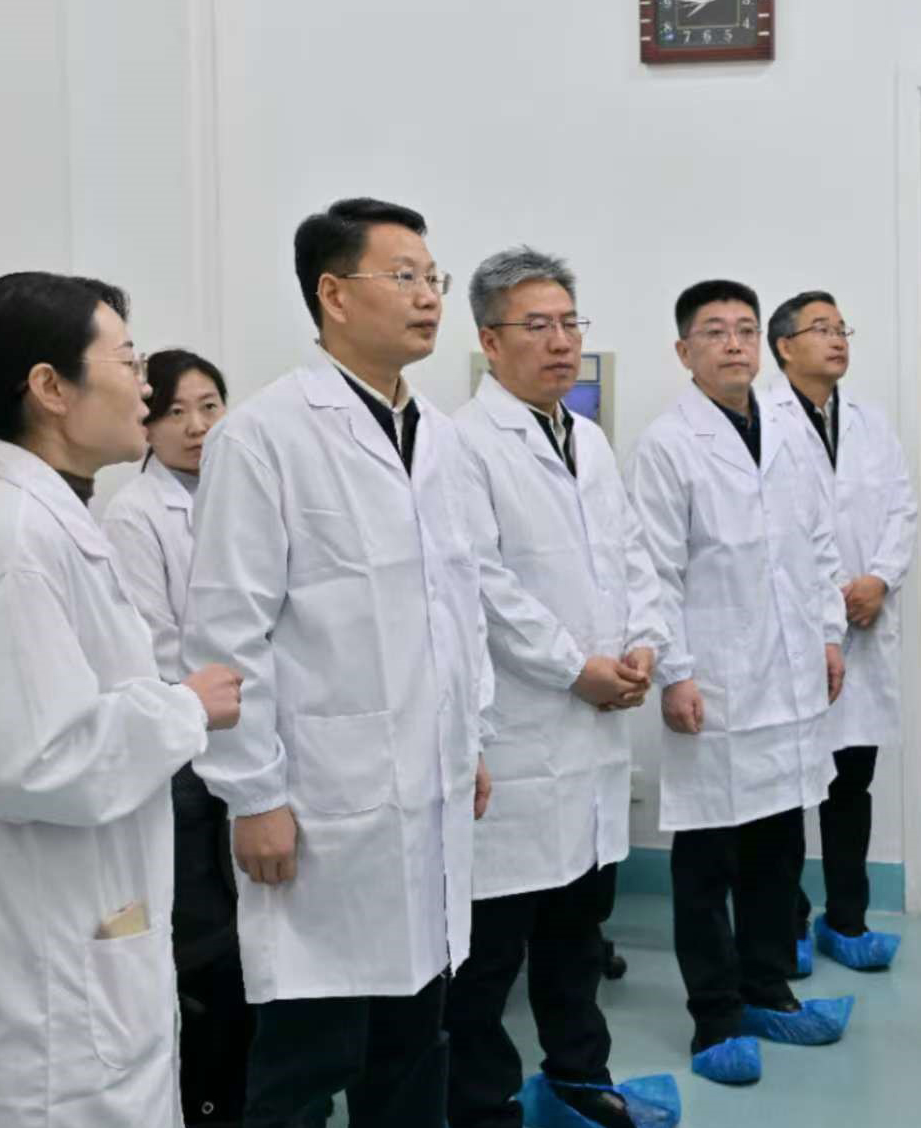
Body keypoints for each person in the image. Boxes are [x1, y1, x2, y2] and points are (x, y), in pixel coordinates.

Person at [0, 272, 242, 1128]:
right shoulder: (13, 541)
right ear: (51, 388)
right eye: (127, 361)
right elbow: (37, 762)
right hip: (45, 1018)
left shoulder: (49, 521)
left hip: (80, 962)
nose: (145, 387)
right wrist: (185, 706)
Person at [181, 197, 492, 1128]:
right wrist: (253, 796)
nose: (428, 296)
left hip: (428, 791)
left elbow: (457, 610)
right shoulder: (265, 434)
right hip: (320, 804)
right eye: (404, 276)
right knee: (307, 1058)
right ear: (334, 294)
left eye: (432, 278)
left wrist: (469, 739)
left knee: (415, 1043)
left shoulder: (440, 436)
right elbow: (228, 633)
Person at [446, 247, 677, 1128]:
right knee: (490, 955)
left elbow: (630, 555)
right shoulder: (463, 445)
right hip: (517, 731)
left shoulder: (586, 437)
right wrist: (574, 667)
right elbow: (483, 584)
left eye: (568, 324)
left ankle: (580, 1080)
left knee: (578, 934)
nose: (559, 342)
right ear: (489, 341)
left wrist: (643, 644)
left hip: (594, 732)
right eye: (535, 326)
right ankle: (484, 1105)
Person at [625, 279, 853, 1088]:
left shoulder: (788, 431)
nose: (733, 344)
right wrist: (675, 672)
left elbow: (818, 543)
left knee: (777, 847)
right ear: (683, 350)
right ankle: (714, 1016)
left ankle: (766, 989)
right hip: (715, 679)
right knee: (707, 859)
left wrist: (828, 633)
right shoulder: (667, 444)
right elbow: (653, 568)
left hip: (788, 674)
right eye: (714, 331)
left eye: (745, 330)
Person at [102, 349, 272, 1127]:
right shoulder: (135, 515)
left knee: (262, 940)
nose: (197, 427)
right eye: (174, 412)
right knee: (211, 950)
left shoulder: (246, 493)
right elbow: (159, 648)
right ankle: (213, 1104)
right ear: (145, 424)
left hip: (255, 735)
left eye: (210, 406)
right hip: (189, 759)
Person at [762, 291, 917, 974]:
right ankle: (787, 923)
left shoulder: (870, 423)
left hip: (865, 622)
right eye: (819, 329)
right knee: (789, 792)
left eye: (840, 328)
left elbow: (902, 509)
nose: (836, 339)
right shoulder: (759, 421)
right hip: (794, 631)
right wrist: (825, 599)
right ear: (783, 346)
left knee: (851, 784)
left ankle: (847, 921)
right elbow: (770, 530)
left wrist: (879, 579)